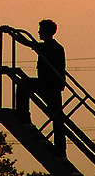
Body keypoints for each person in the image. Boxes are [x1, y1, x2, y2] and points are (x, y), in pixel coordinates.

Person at [12, 19, 67, 158]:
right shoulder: (58, 47)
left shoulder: (47, 47)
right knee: (57, 118)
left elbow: (29, 43)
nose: (38, 32)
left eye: (40, 29)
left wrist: (13, 35)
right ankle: (61, 151)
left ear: (46, 31)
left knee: (23, 84)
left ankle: (23, 116)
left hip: (47, 84)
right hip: (55, 86)